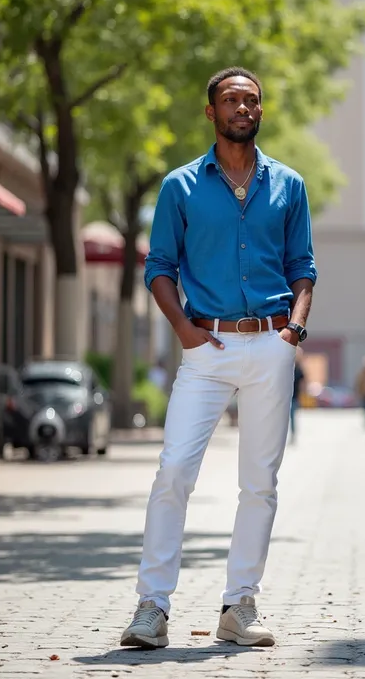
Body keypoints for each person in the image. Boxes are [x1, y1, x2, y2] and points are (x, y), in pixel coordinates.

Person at [120, 67, 317, 649]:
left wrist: (295, 331)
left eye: (251, 100)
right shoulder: (179, 186)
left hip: (271, 344)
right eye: (231, 99)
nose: (243, 108)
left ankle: (239, 606)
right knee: (175, 469)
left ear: (261, 110)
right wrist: (183, 329)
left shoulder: (290, 185)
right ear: (211, 112)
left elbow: (302, 267)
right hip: (205, 346)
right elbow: (159, 268)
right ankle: (151, 607)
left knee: (260, 482)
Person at [289, 351, 305, 443]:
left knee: (292, 417)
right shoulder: (287, 367)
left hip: (295, 397)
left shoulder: (299, 370)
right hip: (285, 396)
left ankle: (293, 434)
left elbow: (303, 384)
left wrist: (302, 396)